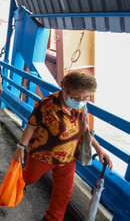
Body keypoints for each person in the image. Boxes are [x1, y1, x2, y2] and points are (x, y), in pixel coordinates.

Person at [13, 71, 113, 221]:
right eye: (76, 97)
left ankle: (52, 218)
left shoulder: (81, 105)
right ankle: (12, 187)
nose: (81, 101)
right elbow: (31, 126)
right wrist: (20, 147)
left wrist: (99, 149)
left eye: (86, 97)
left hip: (67, 157)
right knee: (29, 177)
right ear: (64, 89)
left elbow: (85, 129)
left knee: (63, 194)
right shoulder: (46, 105)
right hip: (44, 155)